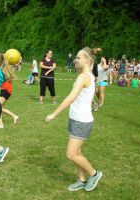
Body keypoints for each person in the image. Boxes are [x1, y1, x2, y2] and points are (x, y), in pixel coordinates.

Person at [45, 47, 102, 192]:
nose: (75, 60)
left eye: (78, 58)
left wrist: (54, 114)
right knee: (77, 153)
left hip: (81, 121)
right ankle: (81, 180)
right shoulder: (85, 75)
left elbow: (70, 98)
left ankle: (94, 174)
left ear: (87, 60)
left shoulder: (84, 76)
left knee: (71, 154)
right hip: (75, 118)